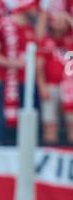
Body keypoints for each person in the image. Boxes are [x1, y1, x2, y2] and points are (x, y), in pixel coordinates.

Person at [0, 0, 38, 144]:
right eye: (35, 7)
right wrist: (14, 63)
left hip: (25, 82)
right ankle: (0, 155)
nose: (36, 11)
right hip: (4, 80)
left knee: (23, 122)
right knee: (1, 121)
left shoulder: (29, 27)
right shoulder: (2, 25)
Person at [37, 11, 73, 144]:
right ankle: (50, 153)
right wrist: (42, 85)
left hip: (70, 87)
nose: (59, 23)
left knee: (71, 123)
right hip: (51, 86)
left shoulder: (70, 39)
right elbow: (39, 66)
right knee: (50, 123)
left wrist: (68, 18)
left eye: (62, 21)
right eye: (57, 20)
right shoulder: (46, 40)